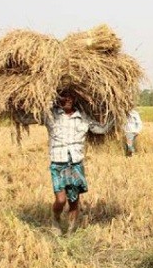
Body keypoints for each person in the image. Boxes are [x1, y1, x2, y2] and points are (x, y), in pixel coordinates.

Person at [37, 90, 111, 235]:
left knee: (74, 200)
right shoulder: (50, 116)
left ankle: (71, 231)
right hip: (58, 163)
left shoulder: (83, 118)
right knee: (60, 199)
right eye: (64, 97)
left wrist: (115, 114)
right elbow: (28, 117)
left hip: (76, 163)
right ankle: (56, 220)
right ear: (58, 99)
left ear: (75, 99)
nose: (67, 100)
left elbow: (101, 129)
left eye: (70, 97)